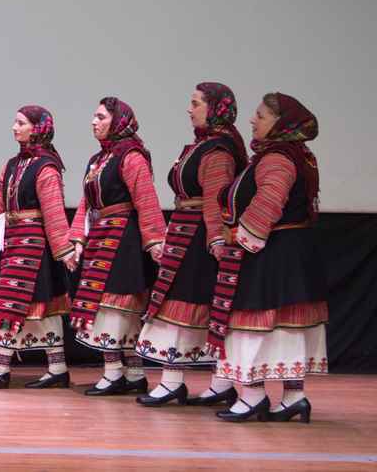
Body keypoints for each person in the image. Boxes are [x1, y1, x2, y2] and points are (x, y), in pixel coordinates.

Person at [211, 93, 326, 423]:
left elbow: (268, 203)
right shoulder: (290, 155)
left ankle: (252, 397)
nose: (252, 120)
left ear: (280, 123)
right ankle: (293, 398)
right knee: (284, 327)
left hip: (273, 254)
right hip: (289, 253)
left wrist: (239, 238)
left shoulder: (277, 159)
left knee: (255, 326)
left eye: (260, 116)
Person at [135, 83, 247, 407]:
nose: (190, 108)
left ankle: (203, 382)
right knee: (180, 306)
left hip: (200, 239)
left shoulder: (218, 151)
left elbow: (215, 200)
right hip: (184, 233)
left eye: (196, 103)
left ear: (214, 109)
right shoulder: (202, 146)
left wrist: (214, 239)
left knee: (196, 308)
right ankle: (186, 382)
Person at [68, 97, 166, 396]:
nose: (94, 122)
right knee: (106, 306)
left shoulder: (131, 156)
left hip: (123, 239)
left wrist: (155, 241)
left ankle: (123, 374)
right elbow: (87, 203)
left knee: (118, 307)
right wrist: (76, 239)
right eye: (94, 116)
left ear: (118, 120)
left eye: (100, 116)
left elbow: (146, 199)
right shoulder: (98, 160)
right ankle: (127, 373)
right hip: (101, 235)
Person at [0, 106, 74, 389]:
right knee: (26, 304)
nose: (14, 128)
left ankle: (2, 367)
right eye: (15, 122)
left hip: (37, 246)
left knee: (32, 305)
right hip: (15, 241)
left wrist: (64, 251)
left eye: (20, 123)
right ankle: (56, 368)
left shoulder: (46, 167)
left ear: (37, 128)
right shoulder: (13, 164)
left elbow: (53, 211)